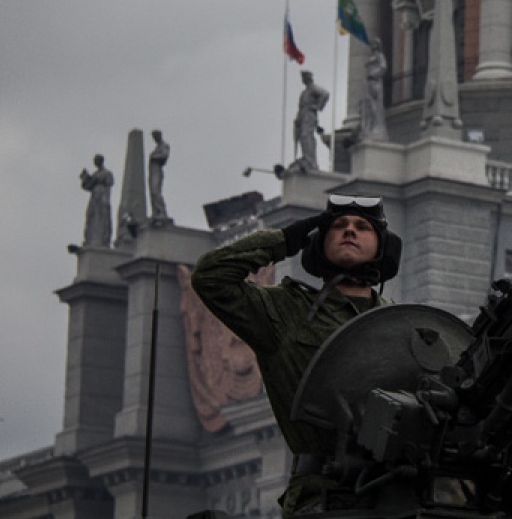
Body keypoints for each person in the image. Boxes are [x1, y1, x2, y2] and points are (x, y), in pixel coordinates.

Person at [190, 196, 402, 516]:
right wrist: (285, 240)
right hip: (323, 494)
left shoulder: (400, 324)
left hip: (399, 492)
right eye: (338, 225)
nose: (350, 231)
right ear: (319, 242)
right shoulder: (284, 311)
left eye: (362, 227)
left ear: (383, 246)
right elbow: (210, 278)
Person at [292, 71, 330, 173]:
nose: (303, 80)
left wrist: (317, 106)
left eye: (304, 77)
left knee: (306, 136)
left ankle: (310, 160)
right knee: (302, 137)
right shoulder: (304, 92)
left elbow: (325, 94)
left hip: (309, 114)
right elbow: (301, 107)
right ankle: (306, 157)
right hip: (303, 115)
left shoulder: (313, 88)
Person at [78, 154, 113, 247]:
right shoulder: (95, 174)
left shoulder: (107, 173)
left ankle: (102, 240)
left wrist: (94, 180)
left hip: (102, 197)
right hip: (94, 197)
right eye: (95, 161)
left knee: (102, 216)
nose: (95, 162)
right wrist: (84, 178)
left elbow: (109, 183)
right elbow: (87, 186)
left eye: (97, 160)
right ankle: (90, 239)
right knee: (91, 215)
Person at [147, 129, 170, 224]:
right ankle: (155, 212)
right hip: (152, 171)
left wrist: (154, 156)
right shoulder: (157, 148)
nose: (155, 139)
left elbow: (164, 156)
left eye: (155, 137)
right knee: (152, 192)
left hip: (157, 170)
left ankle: (162, 211)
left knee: (156, 191)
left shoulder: (164, 146)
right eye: (153, 137)